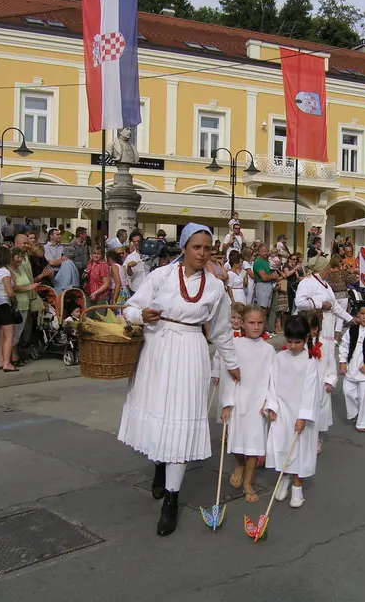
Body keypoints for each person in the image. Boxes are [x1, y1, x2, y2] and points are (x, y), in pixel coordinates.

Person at [117, 223, 240, 537]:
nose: (202, 253)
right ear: (184, 247)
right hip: (157, 349)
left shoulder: (215, 287)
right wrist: (140, 316)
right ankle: (160, 464)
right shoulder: (161, 276)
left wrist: (232, 363)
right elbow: (129, 308)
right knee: (161, 413)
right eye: (196, 247)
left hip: (191, 351)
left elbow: (222, 330)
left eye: (207, 248)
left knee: (181, 419)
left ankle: (171, 501)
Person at [265, 314, 321, 509]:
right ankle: (284, 477)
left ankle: (298, 488)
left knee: (299, 449)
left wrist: (303, 416)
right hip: (282, 410)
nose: (293, 346)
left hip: (300, 412)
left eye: (297, 342)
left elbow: (310, 391)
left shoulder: (310, 361)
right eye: (289, 341)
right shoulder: (280, 358)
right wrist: (272, 405)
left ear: (306, 338)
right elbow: (272, 382)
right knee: (282, 446)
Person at [219, 305, 273, 504]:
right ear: (242, 323)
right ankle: (239, 464)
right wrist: (227, 404)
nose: (256, 327)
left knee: (254, 445)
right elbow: (228, 376)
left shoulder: (269, 350)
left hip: (258, 403)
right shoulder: (235, 345)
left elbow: (272, 379)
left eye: (260, 323)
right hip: (238, 399)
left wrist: (269, 401)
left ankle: (248, 483)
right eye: (251, 323)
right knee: (236, 442)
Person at [338, 300, 365, 433]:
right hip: (352, 367)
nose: (364, 317)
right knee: (348, 391)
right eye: (362, 313)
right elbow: (344, 346)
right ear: (358, 314)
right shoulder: (352, 330)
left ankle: (364, 422)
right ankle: (354, 413)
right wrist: (342, 362)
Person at [294, 260, 355, 351]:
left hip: (327, 326)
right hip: (314, 326)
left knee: (327, 351)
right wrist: (321, 305)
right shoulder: (307, 282)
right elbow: (300, 302)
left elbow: (334, 306)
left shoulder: (325, 284)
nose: (330, 271)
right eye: (328, 268)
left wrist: (350, 319)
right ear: (321, 269)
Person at [300, 310, 335, 454]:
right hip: (303, 383)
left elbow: (331, 363)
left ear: (316, 329)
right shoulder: (299, 344)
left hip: (320, 383)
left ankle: (317, 438)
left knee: (319, 412)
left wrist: (330, 380)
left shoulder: (325, 344)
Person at [0, 246, 20, 372]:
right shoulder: (5, 272)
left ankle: (0, 360)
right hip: (4, 304)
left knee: (1, 335)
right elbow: (10, 292)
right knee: (9, 335)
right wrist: (14, 301)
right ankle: (7, 363)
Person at [8, 246, 39, 365]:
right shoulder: (9, 270)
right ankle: (13, 357)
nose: (20, 259)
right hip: (17, 305)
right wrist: (29, 287)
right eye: (18, 257)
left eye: (21, 257)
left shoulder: (21, 268)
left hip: (25, 303)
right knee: (15, 333)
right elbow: (13, 287)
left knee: (19, 332)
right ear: (11, 258)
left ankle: (16, 354)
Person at [324, 254, 357, 336]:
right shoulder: (343, 273)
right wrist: (350, 271)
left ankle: (330, 334)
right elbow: (352, 280)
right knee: (340, 318)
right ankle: (337, 337)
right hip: (343, 296)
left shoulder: (328, 273)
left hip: (332, 296)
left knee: (332, 316)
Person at [252, 243, 279, 311]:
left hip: (268, 285)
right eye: (265, 251)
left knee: (267, 309)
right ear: (259, 252)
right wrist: (273, 276)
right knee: (262, 309)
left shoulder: (266, 261)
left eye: (267, 251)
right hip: (262, 286)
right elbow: (264, 277)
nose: (267, 253)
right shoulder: (258, 262)